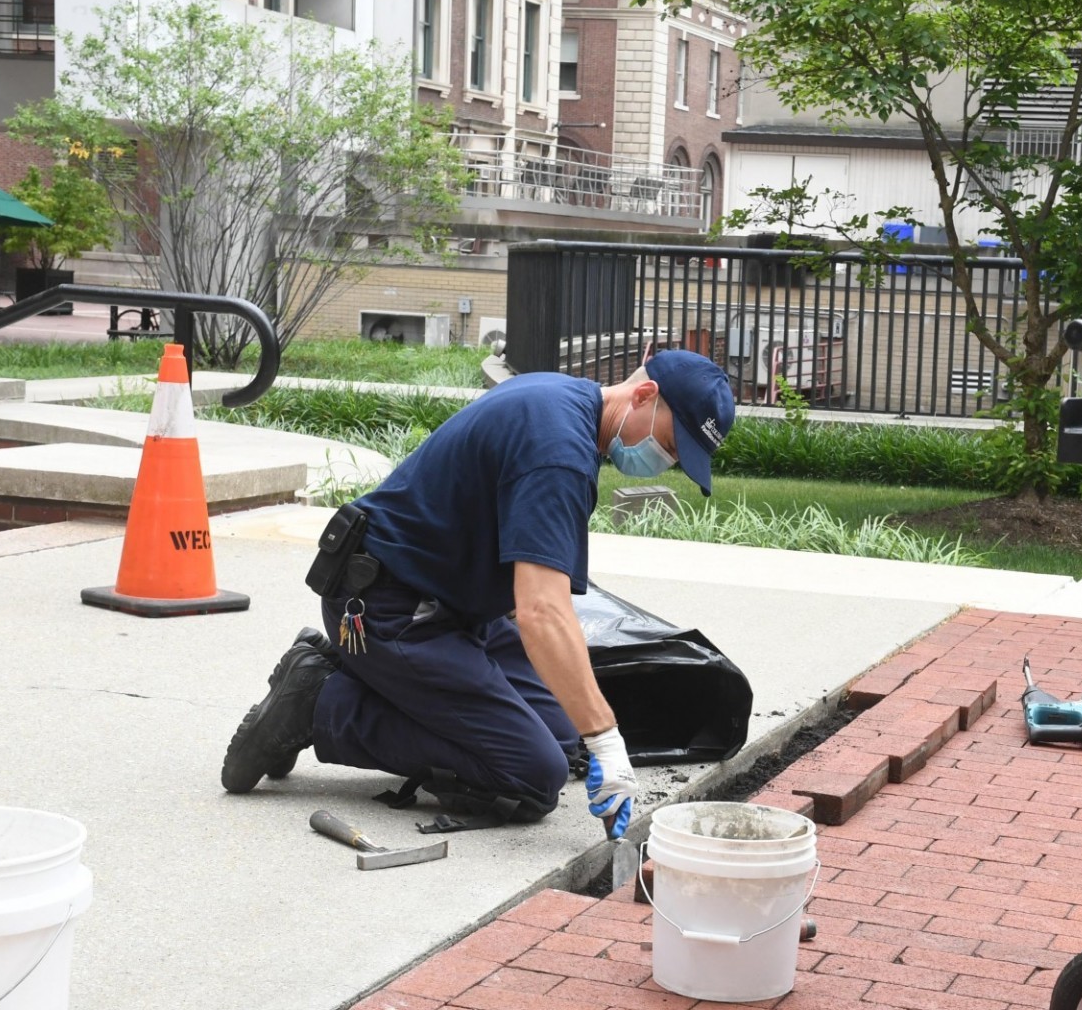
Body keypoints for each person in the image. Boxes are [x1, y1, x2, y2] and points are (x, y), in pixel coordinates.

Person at [221, 350, 738, 836]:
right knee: (530, 776)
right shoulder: (559, 454)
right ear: (645, 396)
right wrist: (607, 741)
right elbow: (541, 611)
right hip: (388, 608)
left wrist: (587, 730)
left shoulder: (560, 395)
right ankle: (321, 702)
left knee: (560, 739)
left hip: (446, 605)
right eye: (670, 445)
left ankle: (367, 675)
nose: (664, 461)